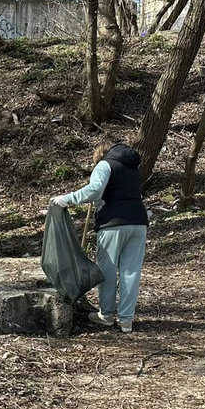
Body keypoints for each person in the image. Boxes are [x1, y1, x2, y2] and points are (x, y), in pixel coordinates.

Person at [51, 138, 148, 333]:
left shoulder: (105, 165)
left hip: (113, 223)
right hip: (139, 222)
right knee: (131, 271)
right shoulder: (133, 168)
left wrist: (66, 199)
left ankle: (106, 315)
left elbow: (94, 191)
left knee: (108, 269)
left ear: (99, 155)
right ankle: (126, 320)